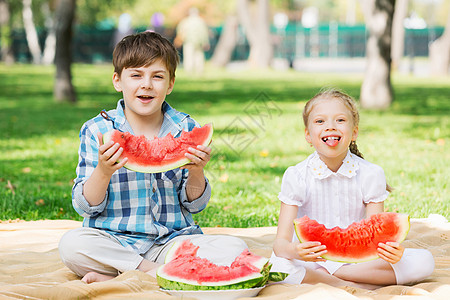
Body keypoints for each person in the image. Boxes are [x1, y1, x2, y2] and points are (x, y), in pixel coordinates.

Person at [58, 31, 248, 284]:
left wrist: (197, 170)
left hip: (171, 242)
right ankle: (156, 273)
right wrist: (103, 171)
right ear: (118, 81)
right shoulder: (97, 131)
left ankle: (125, 275)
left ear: (170, 84)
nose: (146, 84)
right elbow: (85, 206)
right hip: (114, 241)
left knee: (234, 247)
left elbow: (195, 205)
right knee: (72, 244)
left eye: (157, 76)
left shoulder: (186, 128)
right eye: (136, 75)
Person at [270, 88, 435, 289]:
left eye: (340, 120)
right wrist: (295, 251)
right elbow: (280, 244)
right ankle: (354, 284)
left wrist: (392, 252)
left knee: (425, 261)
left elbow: (373, 239)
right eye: (320, 121)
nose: (330, 127)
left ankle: (332, 277)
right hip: (311, 258)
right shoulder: (296, 175)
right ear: (308, 135)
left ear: (354, 132)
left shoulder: (371, 173)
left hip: (357, 263)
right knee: (277, 267)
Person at [175, 7, 210, 74]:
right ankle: (199, 70)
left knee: (189, 56)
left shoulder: (186, 21)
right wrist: (205, 42)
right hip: (199, 42)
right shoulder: (201, 21)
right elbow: (204, 33)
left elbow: (180, 30)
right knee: (199, 56)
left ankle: (189, 70)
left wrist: (180, 39)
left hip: (188, 41)